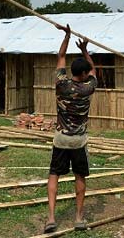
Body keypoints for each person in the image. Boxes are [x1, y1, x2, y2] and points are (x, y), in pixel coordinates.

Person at [44, 24, 97, 233]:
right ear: (83, 74)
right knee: (80, 177)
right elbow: (94, 70)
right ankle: (78, 218)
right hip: (78, 141)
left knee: (54, 175)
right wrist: (85, 50)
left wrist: (66, 36)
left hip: (61, 139)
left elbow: (61, 55)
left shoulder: (61, 84)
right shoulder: (88, 88)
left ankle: (50, 218)